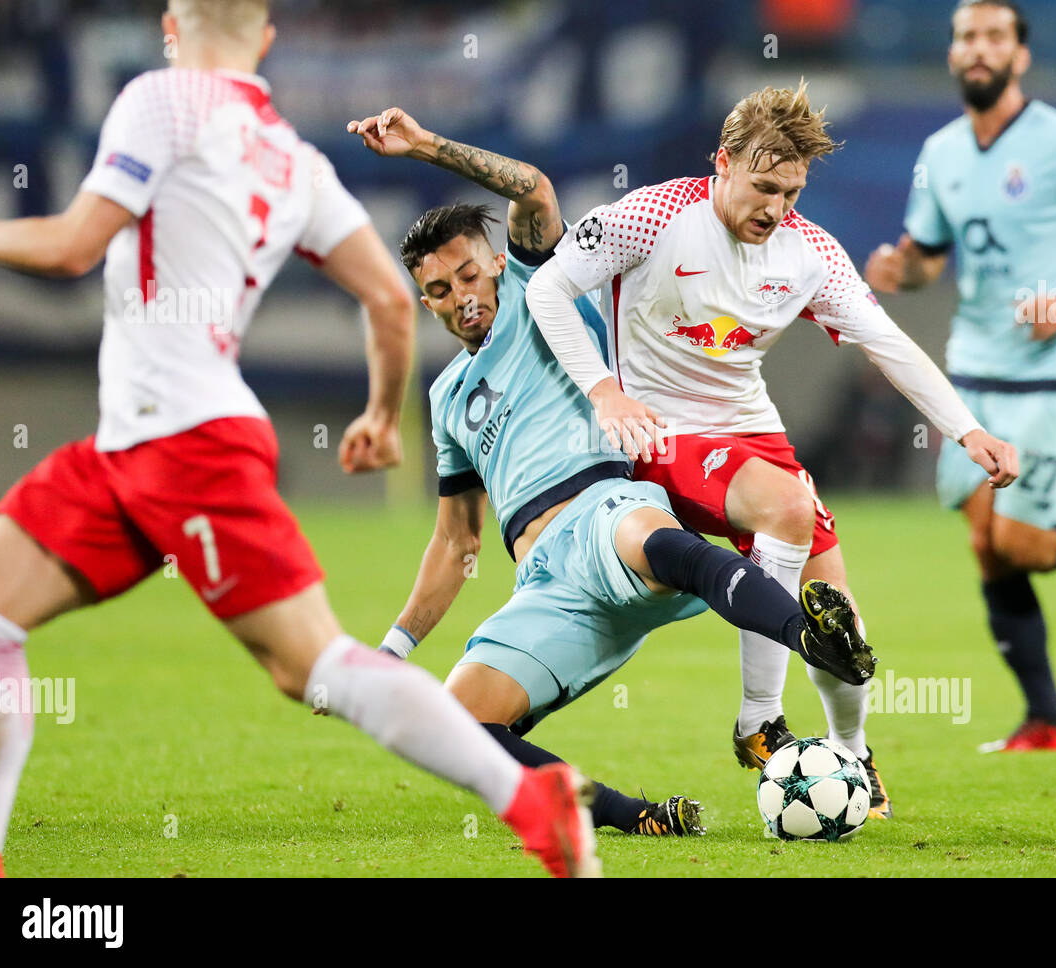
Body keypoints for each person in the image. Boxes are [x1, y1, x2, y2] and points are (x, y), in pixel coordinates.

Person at [0, 0, 598, 879]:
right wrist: (381, 416)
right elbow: (387, 298)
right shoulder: (294, 159)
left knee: (314, 667)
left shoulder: (161, 97)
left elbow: (76, 246)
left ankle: (528, 795)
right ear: (265, 40)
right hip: (130, 446)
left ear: (169, 24)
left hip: (185, 448)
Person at [346, 106, 873, 836]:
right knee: (457, 727)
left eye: (468, 272)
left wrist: (427, 146)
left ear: (497, 260)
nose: (460, 297)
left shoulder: (535, 292)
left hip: (602, 511)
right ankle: (640, 818)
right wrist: (392, 651)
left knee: (650, 539)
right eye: (438, 290)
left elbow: (531, 188)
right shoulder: (445, 402)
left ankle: (802, 645)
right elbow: (455, 543)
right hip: (548, 590)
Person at [524, 79, 1020, 820]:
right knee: (788, 506)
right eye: (762, 187)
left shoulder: (810, 252)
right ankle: (759, 720)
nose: (775, 208)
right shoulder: (653, 215)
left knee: (839, 622)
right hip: (660, 433)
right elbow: (547, 292)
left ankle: (851, 754)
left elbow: (885, 342)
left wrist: (967, 429)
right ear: (721, 162)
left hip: (752, 435)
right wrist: (602, 390)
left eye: (790, 192)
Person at [864, 0, 1056, 751]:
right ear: (951, 53)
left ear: (1021, 53)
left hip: (1051, 375)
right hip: (972, 371)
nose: (978, 49)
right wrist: (899, 267)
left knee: (1029, 547)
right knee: (986, 544)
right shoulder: (940, 150)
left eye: (994, 36)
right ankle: (1048, 717)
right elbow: (930, 253)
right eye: (966, 37)